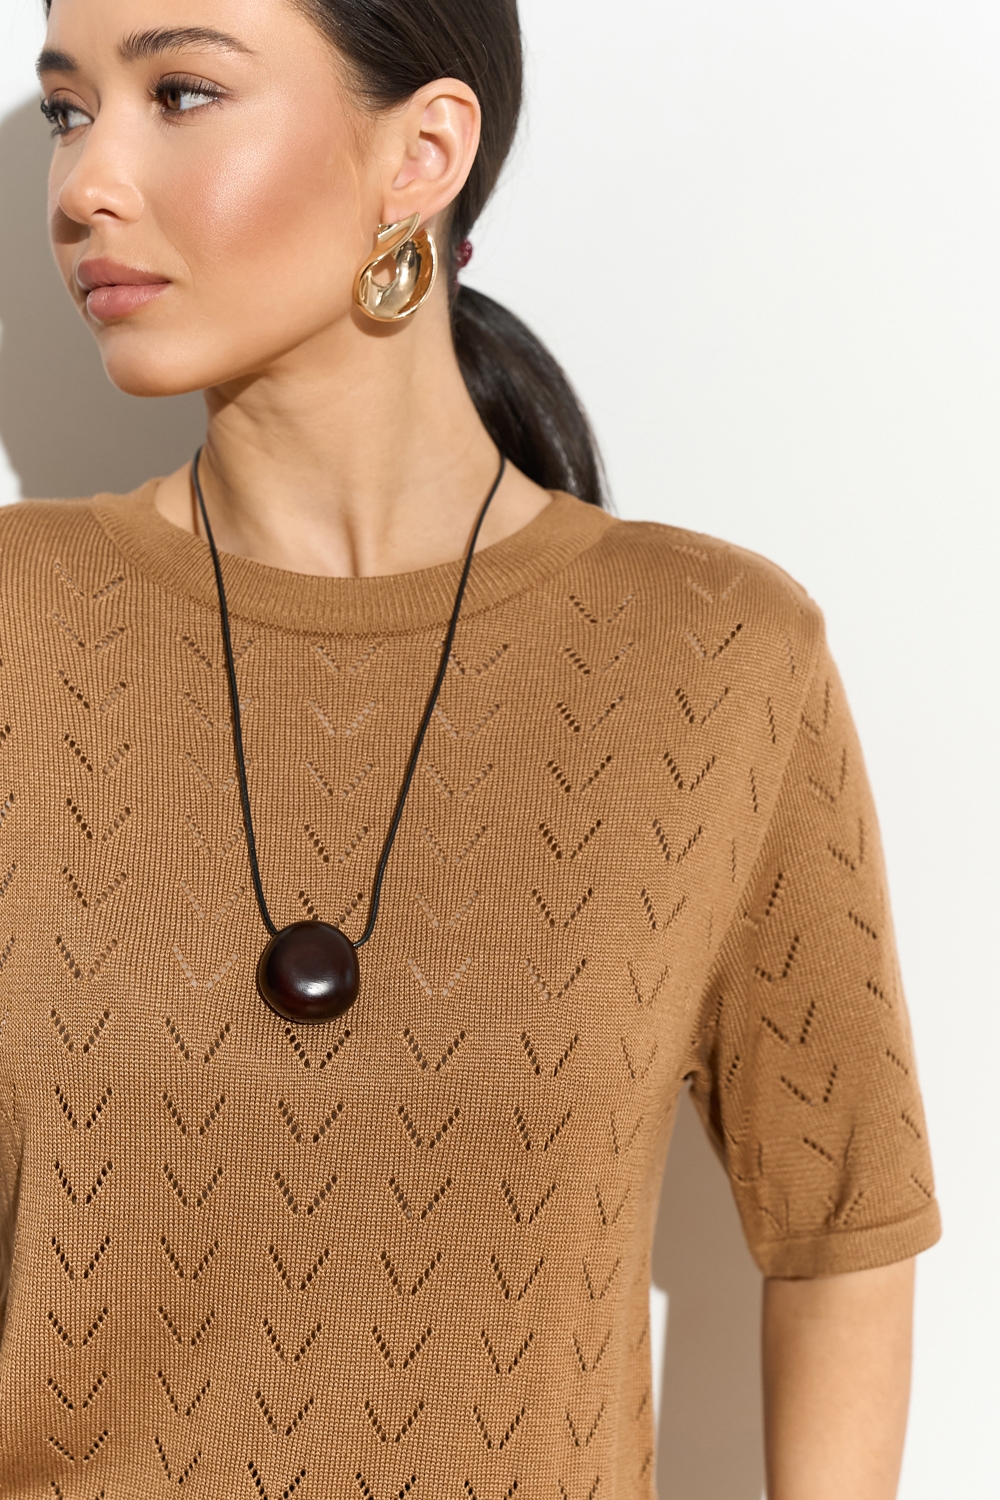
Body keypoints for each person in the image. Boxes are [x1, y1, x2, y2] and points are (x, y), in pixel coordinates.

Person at [0, 0, 939, 1496]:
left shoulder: (719, 651)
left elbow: (844, 1230)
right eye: (67, 111)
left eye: (178, 93)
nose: (83, 186)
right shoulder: (19, 625)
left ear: (423, 153)